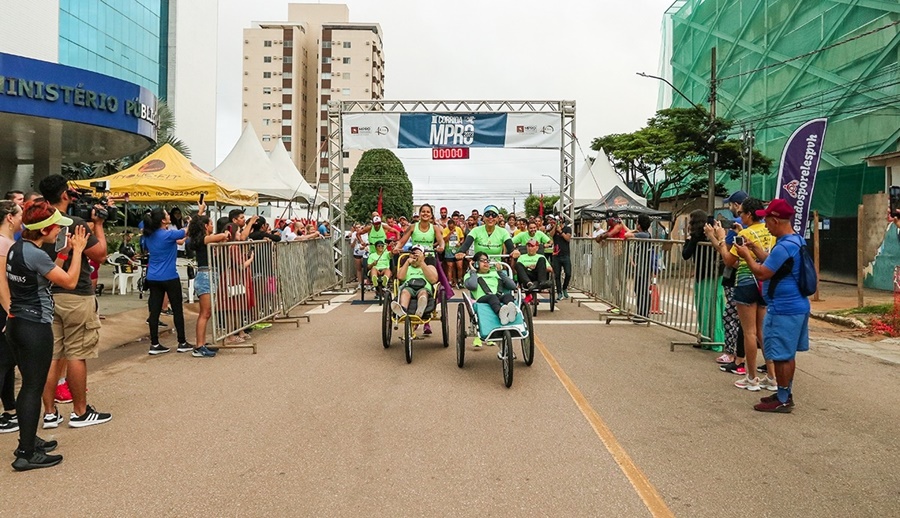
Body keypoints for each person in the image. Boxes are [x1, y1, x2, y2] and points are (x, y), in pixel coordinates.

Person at [4, 201, 88, 470]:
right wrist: (78, 252)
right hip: (34, 326)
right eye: (56, 229)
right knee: (32, 387)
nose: (58, 233)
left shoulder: (18, 248)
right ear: (44, 230)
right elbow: (71, 282)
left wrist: (62, 254)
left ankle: (27, 441)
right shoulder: (35, 254)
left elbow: (46, 274)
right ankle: (26, 454)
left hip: (17, 323)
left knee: (29, 384)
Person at [37, 175, 109, 431]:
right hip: (76, 294)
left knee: (53, 355)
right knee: (77, 353)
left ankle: (49, 412)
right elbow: (100, 254)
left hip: (46, 294)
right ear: (65, 195)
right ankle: (80, 412)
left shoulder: (37, 223)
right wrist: (98, 225)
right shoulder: (74, 223)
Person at [736, 199, 809, 412]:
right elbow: (775, 263)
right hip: (795, 306)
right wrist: (758, 250)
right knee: (786, 354)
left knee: (781, 355)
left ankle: (784, 400)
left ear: (775, 220)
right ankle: (784, 393)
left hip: (784, 309)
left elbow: (762, 272)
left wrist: (746, 256)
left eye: (767, 219)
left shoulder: (784, 245)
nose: (765, 223)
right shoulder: (795, 241)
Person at [706, 198, 776, 392]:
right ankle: (771, 376)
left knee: (749, 333)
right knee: (763, 332)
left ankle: (751, 377)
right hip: (764, 283)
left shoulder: (745, 233)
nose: (740, 216)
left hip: (746, 282)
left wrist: (720, 238)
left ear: (749, 215)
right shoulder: (770, 233)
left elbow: (729, 260)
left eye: (742, 213)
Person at [142, 207, 192, 356]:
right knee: (177, 309)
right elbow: (186, 230)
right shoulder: (168, 234)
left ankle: (154, 344)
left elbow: (179, 239)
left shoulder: (149, 235)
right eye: (166, 214)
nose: (169, 215)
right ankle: (182, 342)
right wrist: (198, 214)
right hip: (169, 276)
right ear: (163, 220)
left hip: (153, 277)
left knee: (155, 311)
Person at [187, 210, 230, 357]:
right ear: (205, 226)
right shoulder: (203, 239)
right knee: (204, 313)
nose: (212, 226)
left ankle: (202, 343)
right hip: (205, 276)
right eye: (211, 224)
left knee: (207, 312)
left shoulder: (204, 240)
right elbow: (220, 236)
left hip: (210, 274)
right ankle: (199, 346)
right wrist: (224, 235)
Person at [682, 210, 725, 344]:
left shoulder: (696, 236)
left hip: (704, 276)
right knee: (717, 306)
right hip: (717, 275)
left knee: (705, 308)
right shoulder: (714, 233)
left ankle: (708, 338)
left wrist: (689, 239)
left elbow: (686, 254)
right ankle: (716, 338)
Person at [0, 201, 22, 434]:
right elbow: (1, 282)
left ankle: (10, 410)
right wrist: (9, 311)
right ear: (9, 217)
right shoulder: (3, 244)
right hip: (4, 310)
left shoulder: (9, 242)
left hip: (7, 309)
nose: (22, 219)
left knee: (7, 363)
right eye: (20, 214)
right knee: (3, 362)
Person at [465, 251, 518, 327]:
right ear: (475, 264)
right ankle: (500, 313)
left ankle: (511, 313)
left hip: (498, 296)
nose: (486, 263)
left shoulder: (496, 273)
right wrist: (473, 271)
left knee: (508, 296)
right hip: (482, 299)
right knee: (492, 297)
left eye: (487, 261)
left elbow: (513, 286)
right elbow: (472, 286)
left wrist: (500, 272)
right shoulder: (470, 275)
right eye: (482, 261)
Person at [390, 245, 439, 318]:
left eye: (418, 253)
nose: (415, 255)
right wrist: (407, 262)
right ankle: (403, 309)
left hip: (423, 287)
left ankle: (420, 309)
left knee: (423, 293)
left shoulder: (429, 267)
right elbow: (400, 277)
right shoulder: (407, 268)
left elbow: (433, 280)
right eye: (413, 253)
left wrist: (421, 262)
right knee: (405, 292)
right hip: (408, 287)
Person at [547, 215, 573, 300]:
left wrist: (561, 231)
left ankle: (564, 287)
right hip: (556, 255)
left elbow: (567, 238)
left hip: (565, 254)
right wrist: (555, 227)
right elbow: (551, 235)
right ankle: (559, 292)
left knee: (568, 273)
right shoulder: (553, 228)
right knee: (557, 275)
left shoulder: (567, 229)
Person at [443, 217, 465, 288]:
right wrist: (450, 233)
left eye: (452, 227)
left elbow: (462, 238)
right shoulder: (445, 230)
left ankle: (459, 281)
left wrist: (460, 243)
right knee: (450, 267)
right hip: (449, 251)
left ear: (454, 225)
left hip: (457, 250)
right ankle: (449, 282)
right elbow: (444, 240)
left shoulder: (458, 229)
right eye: (450, 227)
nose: (451, 228)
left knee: (459, 266)